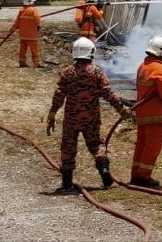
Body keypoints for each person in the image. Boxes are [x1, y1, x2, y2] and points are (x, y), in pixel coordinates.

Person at [46, 37, 129, 194]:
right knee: (96, 145)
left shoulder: (67, 72)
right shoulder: (97, 72)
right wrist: (121, 110)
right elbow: (109, 93)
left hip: (71, 119)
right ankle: (104, 171)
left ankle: (67, 183)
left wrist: (52, 114)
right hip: (91, 118)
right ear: (91, 52)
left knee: (68, 148)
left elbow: (59, 94)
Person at [130, 36, 162, 187]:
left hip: (142, 112)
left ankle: (136, 174)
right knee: (153, 145)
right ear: (161, 52)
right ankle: (144, 176)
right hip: (155, 114)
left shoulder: (142, 66)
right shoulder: (159, 68)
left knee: (142, 143)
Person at [10, 0, 42, 68]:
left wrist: (12, 30)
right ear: (31, 2)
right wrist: (38, 25)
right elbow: (37, 19)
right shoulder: (33, 10)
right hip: (32, 35)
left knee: (23, 49)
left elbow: (17, 22)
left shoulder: (21, 10)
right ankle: (37, 63)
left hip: (23, 35)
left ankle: (22, 62)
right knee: (34, 49)